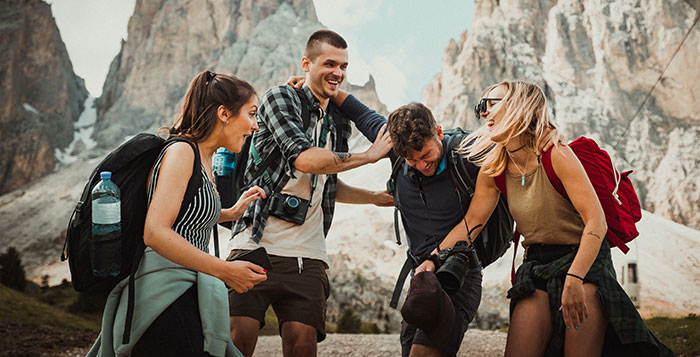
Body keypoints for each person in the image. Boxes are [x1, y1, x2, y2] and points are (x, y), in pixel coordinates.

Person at [428, 80, 673, 356]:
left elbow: (597, 222)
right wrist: (432, 258)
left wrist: (575, 278)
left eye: (489, 104)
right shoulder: (494, 168)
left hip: (584, 262)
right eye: (479, 108)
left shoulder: (556, 154)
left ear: (520, 105)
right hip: (536, 266)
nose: (482, 113)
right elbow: (471, 222)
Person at [227, 30, 393, 357]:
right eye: (329, 63)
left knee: (303, 345)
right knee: (236, 342)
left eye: (344, 66)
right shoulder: (280, 98)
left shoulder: (338, 121)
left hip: (309, 252)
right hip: (256, 242)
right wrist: (368, 156)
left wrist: (373, 197)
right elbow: (304, 159)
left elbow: (327, 181)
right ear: (306, 63)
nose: (338, 72)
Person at [89, 70, 269, 357]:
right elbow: (156, 232)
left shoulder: (205, 158)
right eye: (251, 114)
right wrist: (226, 271)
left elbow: (184, 214)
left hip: (187, 285)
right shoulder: (183, 152)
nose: (256, 125)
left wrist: (231, 212)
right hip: (164, 292)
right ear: (224, 113)